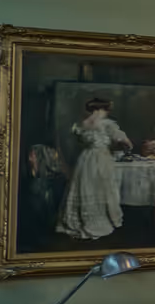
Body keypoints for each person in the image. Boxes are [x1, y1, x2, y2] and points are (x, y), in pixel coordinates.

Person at [56, 97, 130, 240]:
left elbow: (81, 143)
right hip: (102, 158)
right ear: (104, 109)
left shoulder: (82, 124)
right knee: (103, 188)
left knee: (85, 187)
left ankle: (79, 221)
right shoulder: (108, 124)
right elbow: (126, 142)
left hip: (85, 158)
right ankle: (102, 220)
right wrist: (119, 149)